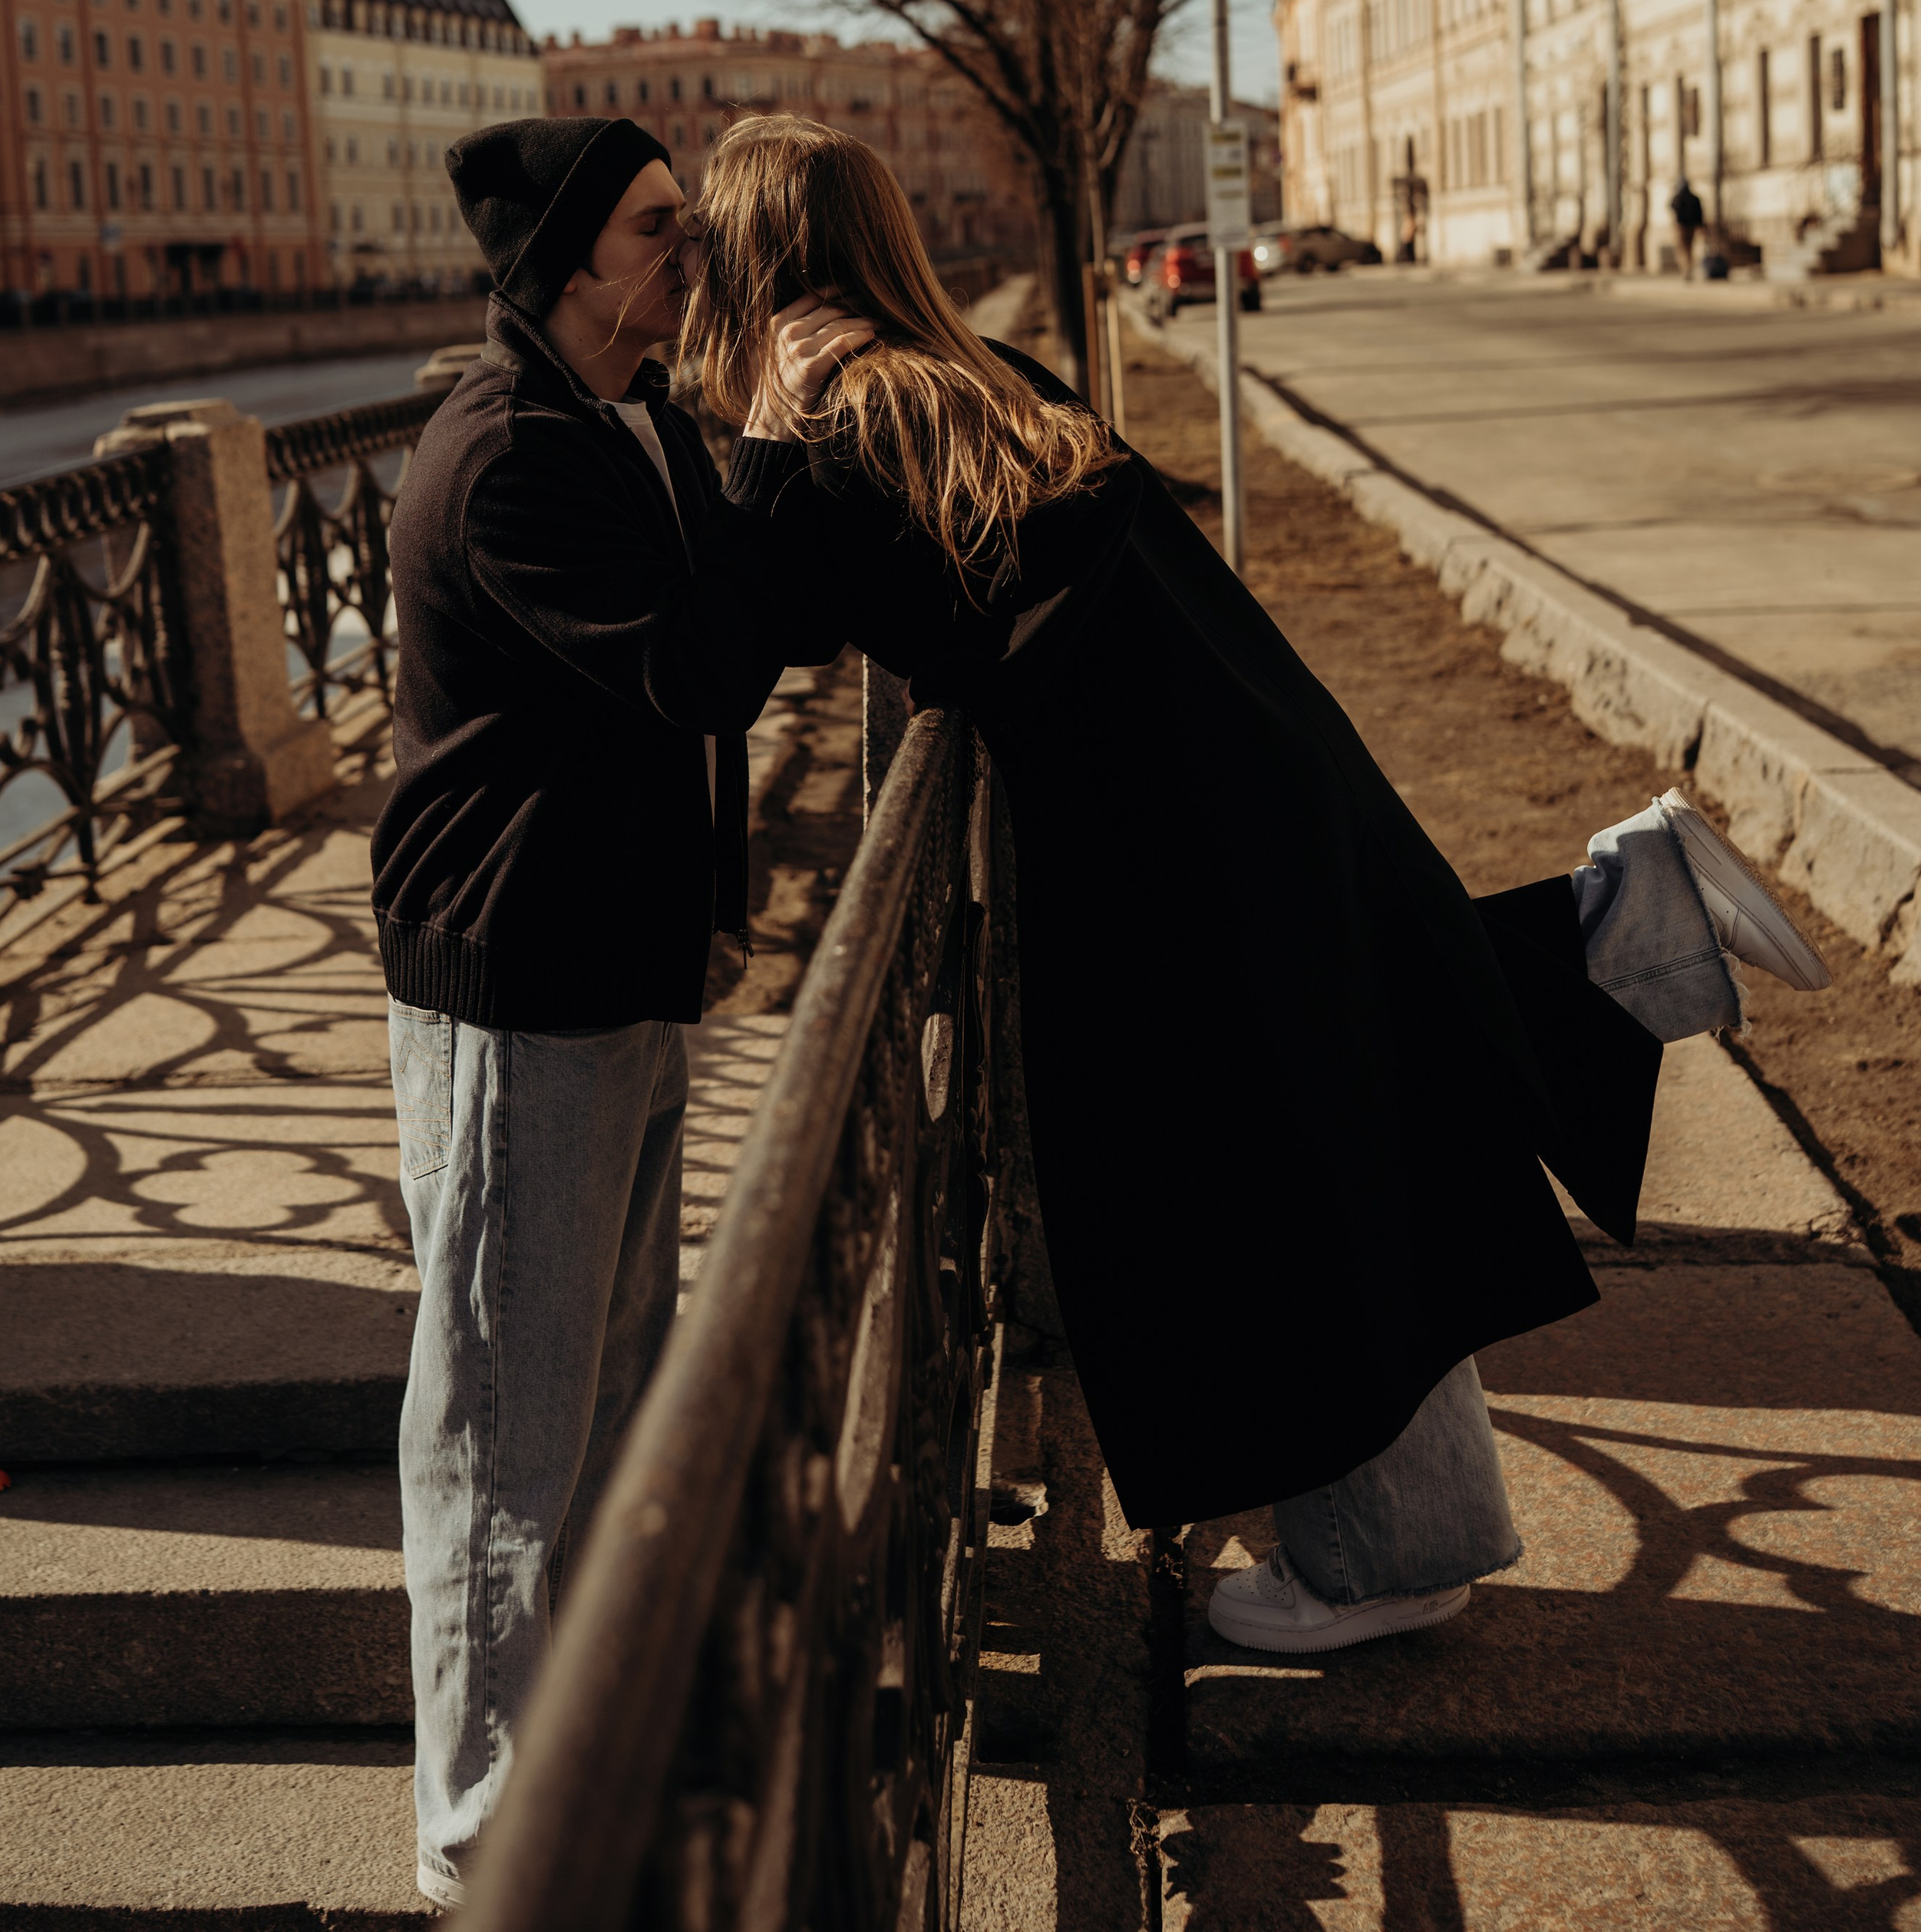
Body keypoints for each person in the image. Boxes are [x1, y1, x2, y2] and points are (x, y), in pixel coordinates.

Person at [682, 111, 1830, 1660]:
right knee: (1365, 1098)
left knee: (1275, 1164)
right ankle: (1629, 925)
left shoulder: (847, 424)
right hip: (1241, 758)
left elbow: (750, 640)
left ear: (758, 260)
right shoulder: (969, 376)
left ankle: (1380, 1558)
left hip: (1155, 831)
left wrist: (756, 436)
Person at [369, 115, 861, 1908]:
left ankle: (584, 1743)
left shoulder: (626, 419)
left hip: (620, 969)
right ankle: (488, 1832)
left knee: (600, 1388)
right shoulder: (510, 454)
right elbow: (695, 664)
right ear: (566, 258)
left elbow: (745, 651)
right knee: (507, 1421)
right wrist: (768, 442)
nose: (692, 256)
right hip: (521, 983)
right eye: (660, 229)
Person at [1671, 175, 1705, 275]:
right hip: (1692, 227)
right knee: (1689, 248)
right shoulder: (1695, 198)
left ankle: (1686, 268)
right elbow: (1700, 213)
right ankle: (1688, 267)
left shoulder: (1678, 198)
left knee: (1682, 248)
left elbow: (1672, 207)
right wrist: (1700, 226)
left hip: (1681, 227)